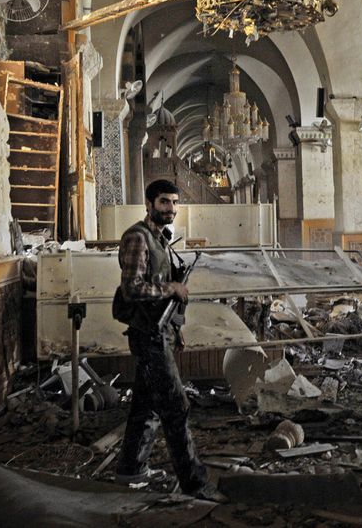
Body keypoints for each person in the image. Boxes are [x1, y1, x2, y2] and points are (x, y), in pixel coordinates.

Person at [113, 179, 222, 501]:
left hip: (159, 331)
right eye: (164, 202)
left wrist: (176, 327)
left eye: (174, 203)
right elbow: (133, 289)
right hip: (147, 335)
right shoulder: (138, 237)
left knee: (146, 406)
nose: (170, 209)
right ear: (149, 204)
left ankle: (130, 470)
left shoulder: (161, 239)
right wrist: (171, 289)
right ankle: (196, 485)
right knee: (176, 406)